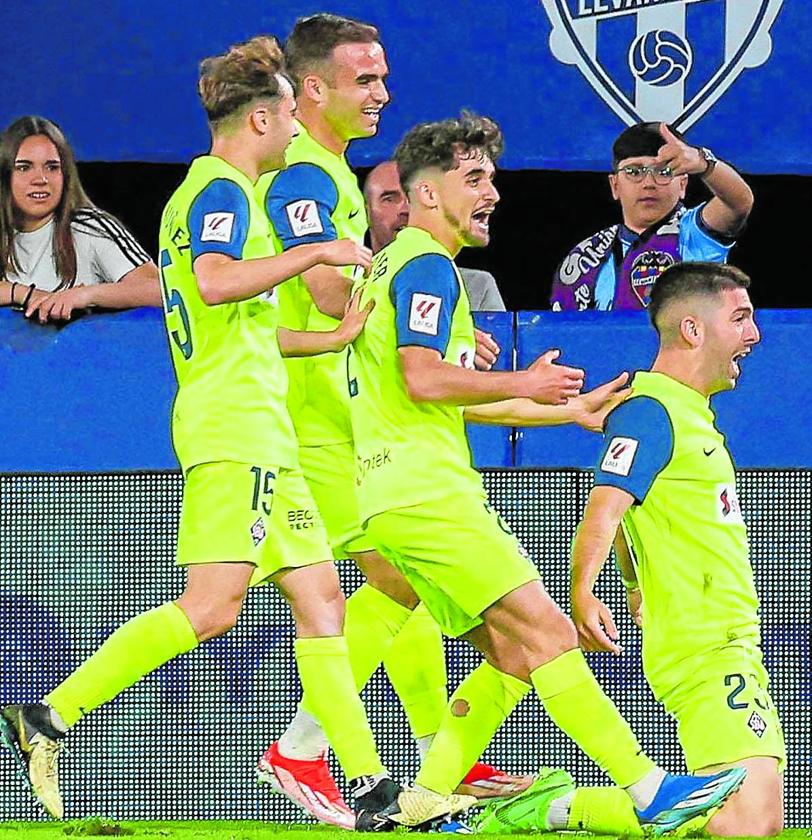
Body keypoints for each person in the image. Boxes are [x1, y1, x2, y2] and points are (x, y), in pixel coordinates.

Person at [0, 35, 430, 826]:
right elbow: (215, 281)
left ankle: (368, 787)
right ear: (264, 118)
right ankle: (48, 715)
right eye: (289, 122)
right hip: (236, 427)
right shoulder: (222, 190)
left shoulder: (211, 192)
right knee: (211, 608)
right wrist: (313, 255)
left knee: (324, 599)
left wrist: (327, 340)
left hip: (263, 421)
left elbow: (239, 322)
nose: (298, 135)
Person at [348, 112, 746, 831]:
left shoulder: (389, 266)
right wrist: (527, 386)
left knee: (509, 651)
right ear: (429, 194)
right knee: (552, 638)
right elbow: (423, 380)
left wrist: (564, 411)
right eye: (475, 179)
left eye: (491, 177)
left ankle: (426, 796)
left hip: (388, 495)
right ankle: (649, 788)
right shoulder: (428, 266)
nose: (493, 192)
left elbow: (452, 402)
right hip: (429, 493)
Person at [253, 14, 520, 826]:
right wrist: (410, 315)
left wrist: (426, 321)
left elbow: (350, 304)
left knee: (395, 586)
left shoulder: (328, 170)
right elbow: (334, 300)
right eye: (365, 80)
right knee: (390, 583)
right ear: (313, 89)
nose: (382, 93)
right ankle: (311, 753)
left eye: (382, 77)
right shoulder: (307, 172)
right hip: (312, 422)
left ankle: (366, 753)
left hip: (330, 414)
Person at [476, 263, 784, 837]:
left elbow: (627, 516)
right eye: (741, 318)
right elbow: (606, 502)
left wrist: (634, 584)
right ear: (693, 329)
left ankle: (549, 804)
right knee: (747, 824)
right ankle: (549, 808)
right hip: (706, 649)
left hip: (724, 641)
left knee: (746, 819)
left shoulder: (687, 414)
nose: (754, 335)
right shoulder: (653, 410)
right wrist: (582, 589)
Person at [550, 122, 754, 311]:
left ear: (682, 184)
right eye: (634, 171)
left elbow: (738, 203)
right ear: (615, 186)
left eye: (663, 171)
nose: (648, 182)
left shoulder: (694, 235)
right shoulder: (585, 256)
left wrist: (703, 163)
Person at [0, 115, 160, 322]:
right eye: (24, 167)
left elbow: (162, 291)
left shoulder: (89, 227)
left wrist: (87, 295)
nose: (40, 179)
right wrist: (22, 293)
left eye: (52, 167)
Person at [365, 160, 506, 310]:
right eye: (389, 199)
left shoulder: (477, 287)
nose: (406, 209)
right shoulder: (348, 284)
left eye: (414, 197)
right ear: (366, 212)